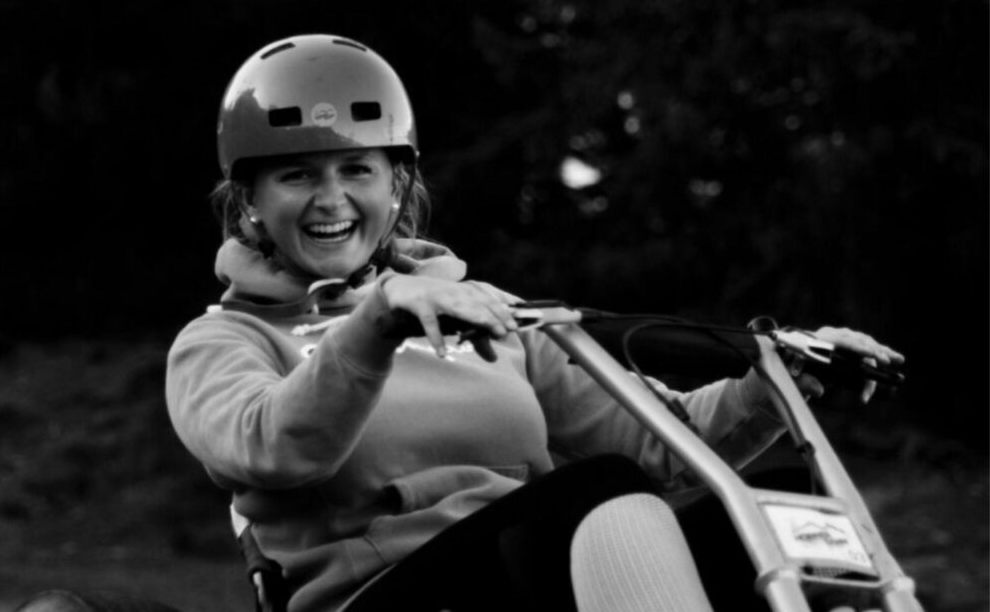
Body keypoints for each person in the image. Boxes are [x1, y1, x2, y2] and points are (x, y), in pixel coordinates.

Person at [163, 33, 904, 612]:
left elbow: (656, 443)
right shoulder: (223, 341)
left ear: (396, 185)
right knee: (596, 495)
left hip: (530, 571)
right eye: (297, 174)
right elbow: (274, 450)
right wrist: (377, 325)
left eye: (357, 169)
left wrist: (776, 383)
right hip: (384, 595)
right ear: (250, 200)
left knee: (782, 511)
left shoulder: (484, 310)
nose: (331, 199)